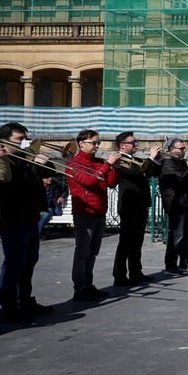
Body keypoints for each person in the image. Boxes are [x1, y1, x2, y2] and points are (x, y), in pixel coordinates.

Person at [0, 123, 54, 323]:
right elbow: (10, 183)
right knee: (14, 262)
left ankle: (25, 299)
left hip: (31, 216)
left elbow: (50, 174)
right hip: (12, 218)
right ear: (5, 140)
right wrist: (34, 165)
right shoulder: (4, 160)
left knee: (30, 260)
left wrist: (43, 164)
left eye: (24, 138)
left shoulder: (24, 158)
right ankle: (8, 307)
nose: (24, 143)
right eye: (19, 139)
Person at [67, 129, 121, 302]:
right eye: (93, 143)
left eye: (98, 142)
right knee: (82, 251)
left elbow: (111, 183)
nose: (97, 146)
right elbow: (89, 182)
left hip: (99, 211)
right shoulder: (73, 164)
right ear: (82, 143)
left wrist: (113, 167)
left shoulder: (98, 162)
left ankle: (88, 285)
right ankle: (80, 288)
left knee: (92, 252)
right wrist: (107, 165)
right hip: (84, 213)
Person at [112, 132, 161, 286]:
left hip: (140, 204)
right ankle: (119, 275)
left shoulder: (137, 160)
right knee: (126, 242)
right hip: (128, 205)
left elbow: (152, 172)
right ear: (122, 145)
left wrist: (157, 160)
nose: (136, 145)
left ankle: (135, 271)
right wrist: (151, 158)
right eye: (133, 142)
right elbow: (134, 172)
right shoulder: (119, 160)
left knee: (137, 241)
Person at [158, 138, 188, 273]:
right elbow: (181, 177)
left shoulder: (181, 162)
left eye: (184, 148)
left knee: (185, 234)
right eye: (181, 148)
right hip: (175, 203)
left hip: (185, 201)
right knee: (177, 235)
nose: (184, 151)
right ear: (171, 149)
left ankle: (185, 261)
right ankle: (171, 265)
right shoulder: (167, 163)